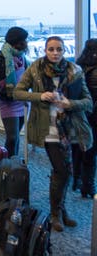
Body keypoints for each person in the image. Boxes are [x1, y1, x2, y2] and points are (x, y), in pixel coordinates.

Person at [14, 36, 93, 231]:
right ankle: (56, 213)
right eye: (51, 49)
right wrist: (39, 96)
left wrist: (70, 104)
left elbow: (88, 102)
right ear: (45, 51)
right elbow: (18, 92)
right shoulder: (35, 69)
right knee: (62, 170)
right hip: (47, 128)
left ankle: (61, 209)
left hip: (70, 129)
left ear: (64, 51)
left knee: (66, 171)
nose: (55, 53)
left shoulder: (75, 71)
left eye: (59, 49)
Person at [0, 27, 30, 157]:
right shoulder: (0, 56)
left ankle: (13, 164)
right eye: (24, 40)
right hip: (8, 100)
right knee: (12, 137)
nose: (26, 42)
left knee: (16, 138)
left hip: (22, 99)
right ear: (17, 41)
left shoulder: (22, 56)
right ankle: (7, 166)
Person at [75, 39, 97, 198]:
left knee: (77, 148)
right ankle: (88, 185)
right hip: (94, 114)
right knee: (91, 150)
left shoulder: (78, 66)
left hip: (79, 112)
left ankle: (76, 180)